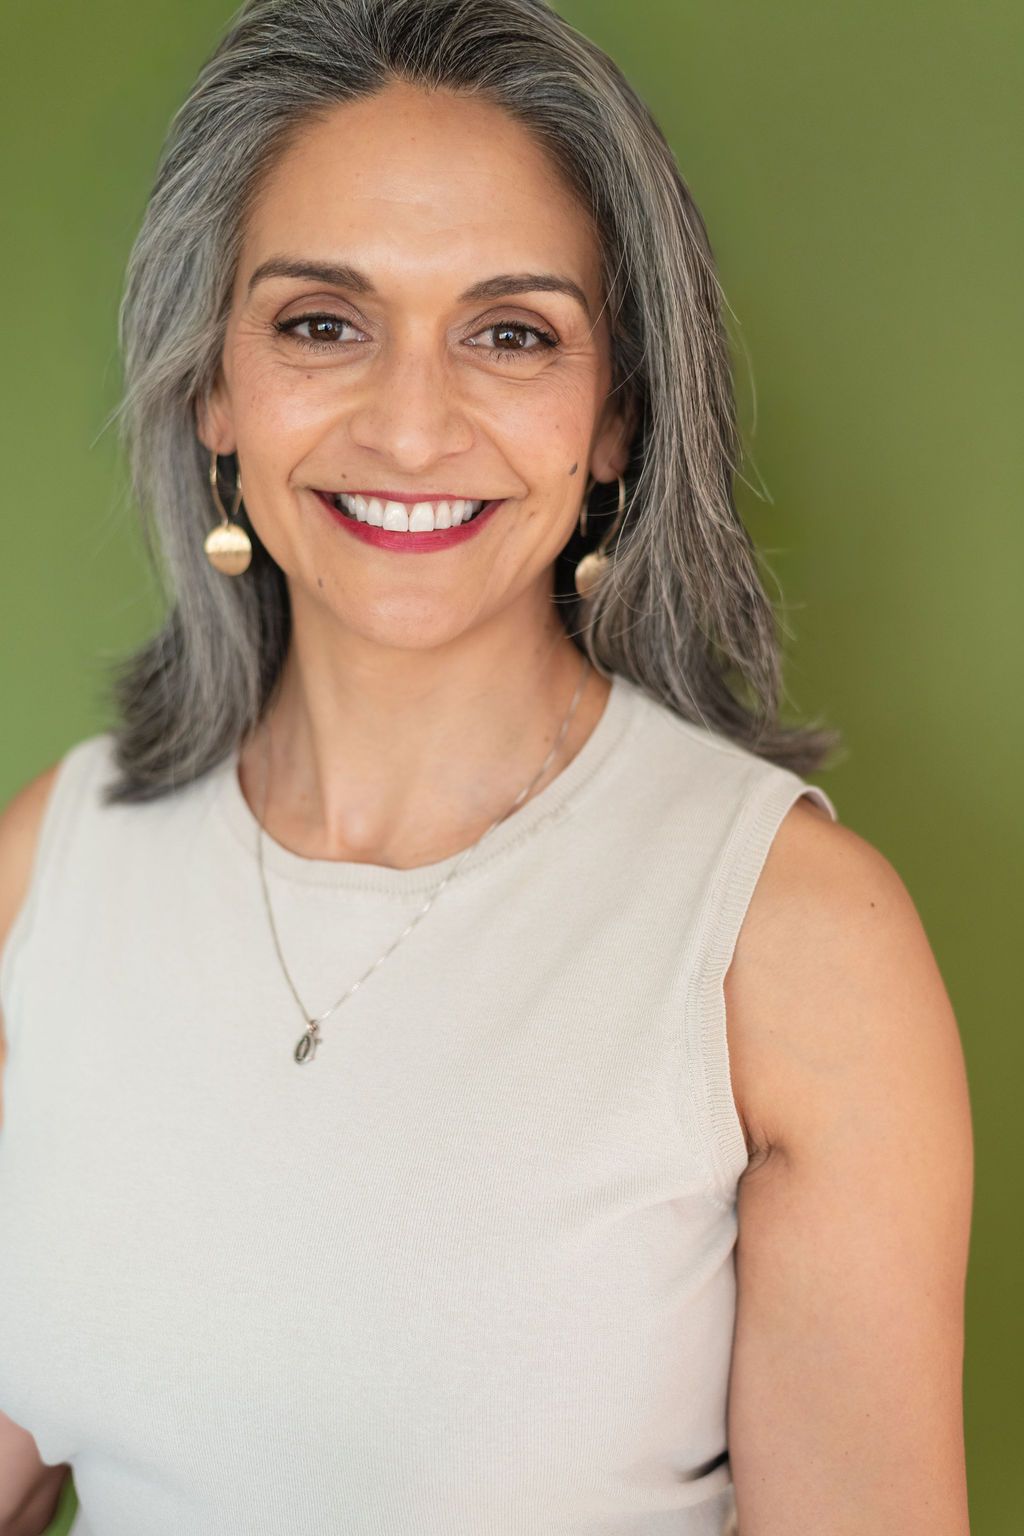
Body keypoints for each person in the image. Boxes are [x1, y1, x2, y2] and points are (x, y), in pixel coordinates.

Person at [0, 1, 973, 1533]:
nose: (409, 421)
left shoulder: (789, 940)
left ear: (616, 421)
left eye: (510, 334)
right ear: (214, 389)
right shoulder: (60, 862)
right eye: (322, 321)